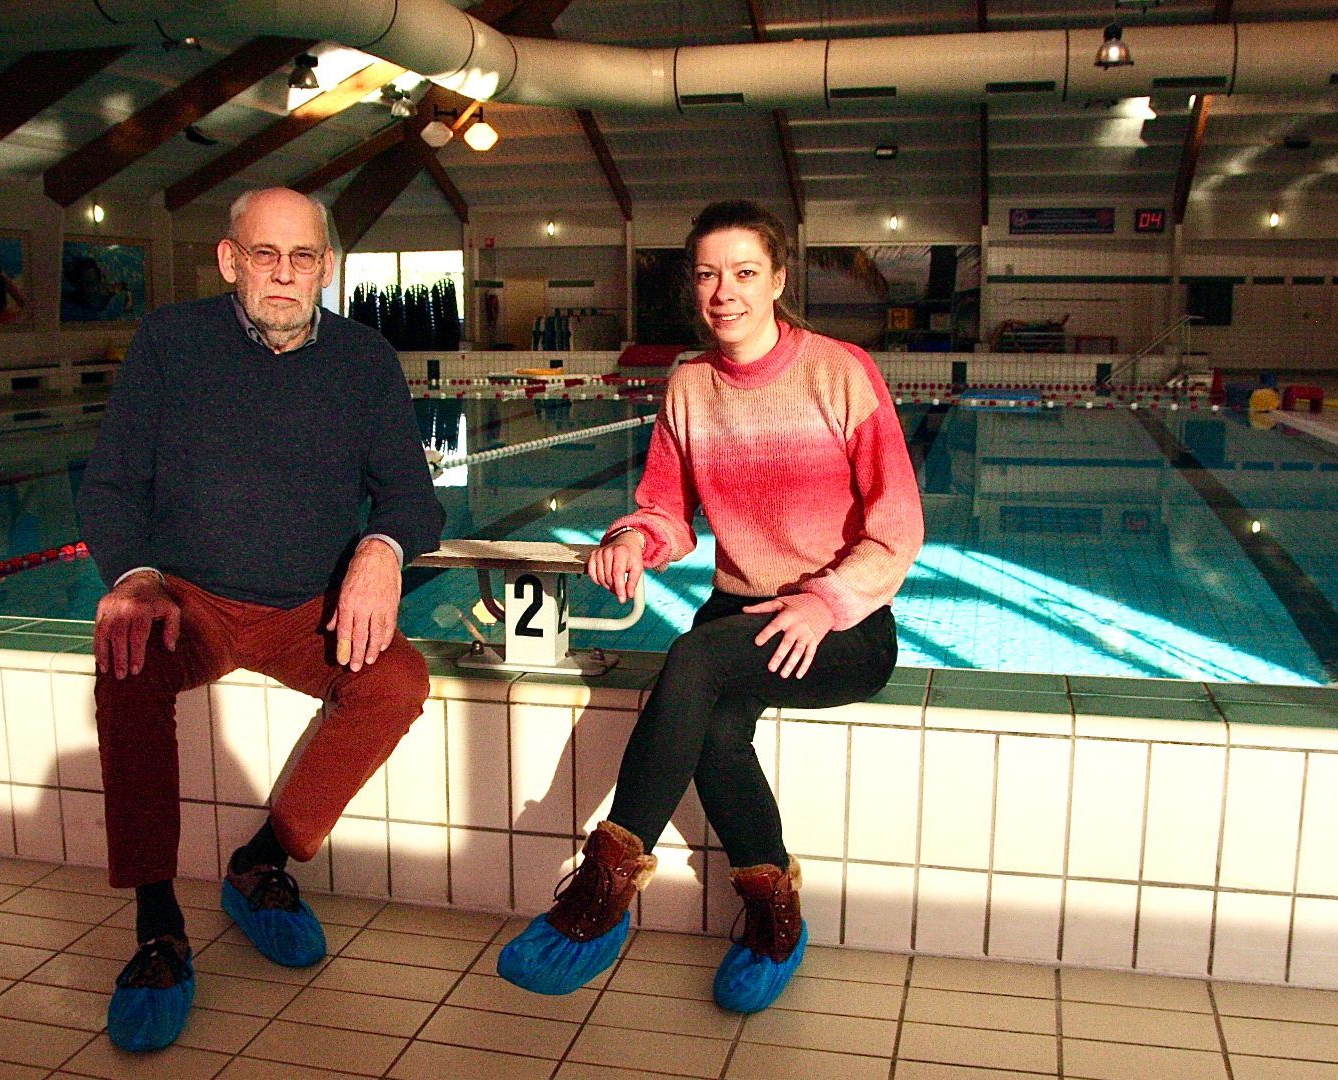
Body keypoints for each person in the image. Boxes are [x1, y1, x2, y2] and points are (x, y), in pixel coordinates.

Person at [497, 200, 925, 1014]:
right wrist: (630, 538)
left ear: (778, 280)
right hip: (741, 617)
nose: (723, 291)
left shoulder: (840, 370)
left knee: (692, 658)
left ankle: (603, 892)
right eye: (707, 274)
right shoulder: (690, 384)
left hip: (844, 629)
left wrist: (826, 602)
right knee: (718, 731)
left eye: (743, 272)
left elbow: (898, 523)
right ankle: (776, 920)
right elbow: (665, 509)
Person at [75, 187, 444, 1052]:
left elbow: (412, 497)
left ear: (325, 264)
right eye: (265, 255)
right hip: (190, 599)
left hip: (306, 607)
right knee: (124, 664)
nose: (284, 274)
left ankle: (263, 859)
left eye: (303, 257)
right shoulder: (172, 343)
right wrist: (134, 579)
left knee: (397, 682)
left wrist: (383, 550)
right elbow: (110, 486)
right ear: (229, 259)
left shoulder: (363, 359)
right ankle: (157, 920)